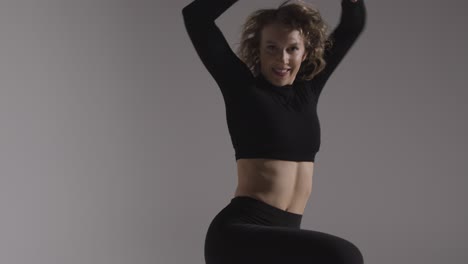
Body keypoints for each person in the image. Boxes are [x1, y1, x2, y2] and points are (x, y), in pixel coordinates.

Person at [182, 0, 367, 263]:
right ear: (258, 49)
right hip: (240, 236)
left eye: (292, 48)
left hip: (282, 237)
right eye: (272, 48)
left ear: (306, 51)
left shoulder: (308, 90)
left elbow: (352, 24)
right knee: (344, 256)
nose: (282, 59)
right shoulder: (242, 89)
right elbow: (196, 17)